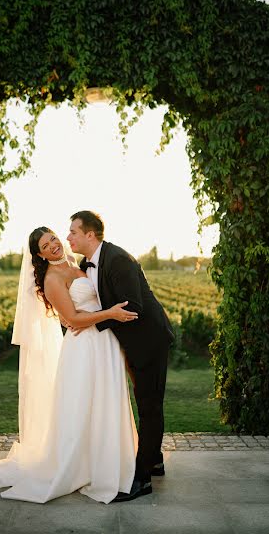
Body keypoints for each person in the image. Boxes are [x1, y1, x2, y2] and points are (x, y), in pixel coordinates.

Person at [0, 227, 139, 504]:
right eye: (46, 245)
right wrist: (111, 314)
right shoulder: (53, 278)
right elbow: (73, 320)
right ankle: (84, 469)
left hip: (104, 344)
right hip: (84, 348)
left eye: (54, 238)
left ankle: (110, 462)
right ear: (40, 255)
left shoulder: (76, 264)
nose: (54, 245)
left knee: (106, 402)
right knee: (83, 407)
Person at [67, 211, 174, 502]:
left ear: (90, 235)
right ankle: (155, 460)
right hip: (130, 343)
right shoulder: (85, 263)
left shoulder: (118, 260)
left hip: (149, 340)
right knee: (145, 401)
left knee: (150, 406)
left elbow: (133, 307)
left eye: (73, 232)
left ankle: (142, 480)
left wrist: (93, 323)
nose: (68, 237)